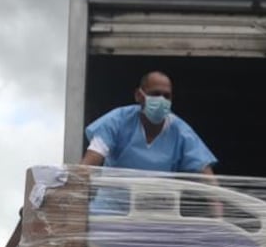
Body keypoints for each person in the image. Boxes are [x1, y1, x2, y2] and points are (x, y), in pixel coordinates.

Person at [80, 70, 217, 216]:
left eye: (166, 96)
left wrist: (218, 222)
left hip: (156, 217)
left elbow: (208, 178)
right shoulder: (118, 121)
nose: (161, 100)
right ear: (139, 96)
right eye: (155, 94)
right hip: (110, 212)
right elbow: (89, 163)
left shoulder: (181, 132)